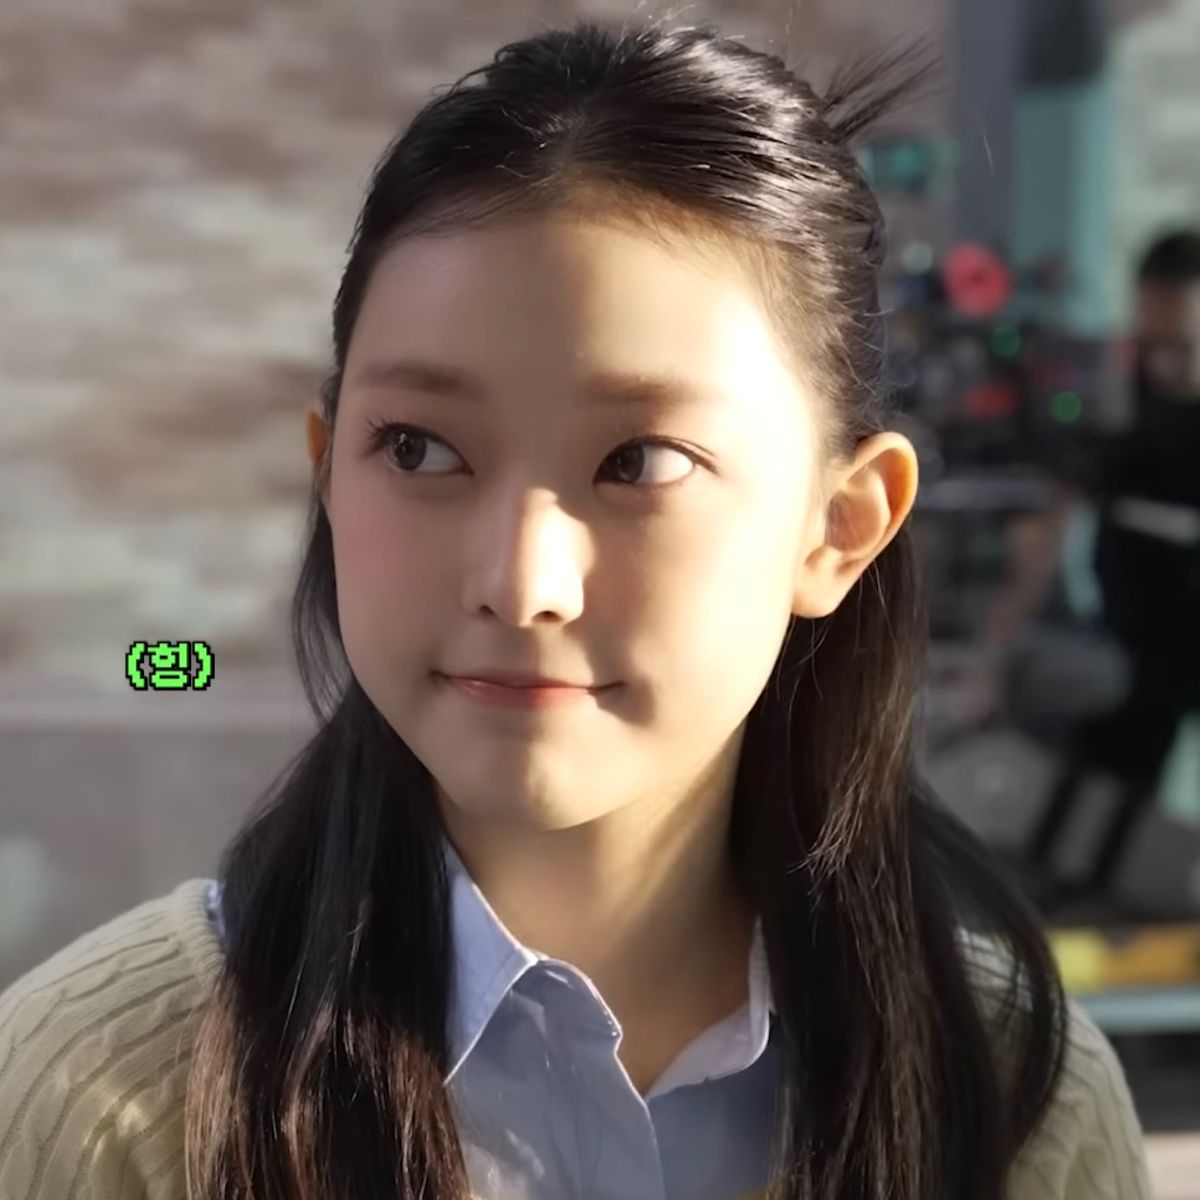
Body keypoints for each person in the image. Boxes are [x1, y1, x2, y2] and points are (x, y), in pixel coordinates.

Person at [0, 16, 1152, 1200]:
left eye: (641, 462)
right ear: (328, 472)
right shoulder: (98, 1100)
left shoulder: (1014, 1100)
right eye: (418, 447)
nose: (520, 581)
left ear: (840, 524)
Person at [1016, 230, 1200, 906]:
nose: (1163, 359)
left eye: (1182, 345)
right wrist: (1002, 636)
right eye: (1154, 338)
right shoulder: (1117, 402)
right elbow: (1052, 518)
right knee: (1101, 798)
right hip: (1129, 645)